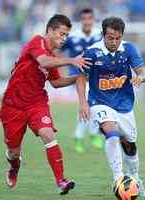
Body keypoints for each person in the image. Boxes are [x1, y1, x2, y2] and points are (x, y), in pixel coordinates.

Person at [0, 14, 91, 195]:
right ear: (50, 31)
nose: (64, 39)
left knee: (48, 135)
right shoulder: (37, 42)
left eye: (66, 35)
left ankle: (61, 181)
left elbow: (56, 83)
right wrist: (72, 60)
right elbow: (43, 61)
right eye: (62, 34)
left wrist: (79, 77)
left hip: (36, 104)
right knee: (13, 152)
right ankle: (14, 165)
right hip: (12, 106)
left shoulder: (53, 56)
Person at [76, 16, 145, 197]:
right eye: (110, 38)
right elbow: (81, 78)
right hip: (99, 103)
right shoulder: (92, 52)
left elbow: (142, 71)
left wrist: (140, 77)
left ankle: (135, 177)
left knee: (129, 144)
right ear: (103, 35)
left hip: (124, 104)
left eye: (118, 38)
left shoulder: (129, 49)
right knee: (111, 132)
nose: (114, 42)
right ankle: (118, 178)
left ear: (122, 36)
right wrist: (83, 103)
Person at [62, 8, 103, 153]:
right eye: (84, 19)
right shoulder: (72, 37)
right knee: (88, 105)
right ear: (81, 20)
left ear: (92, 20)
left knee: (94, 106)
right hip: (79, 77)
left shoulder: (100, 35)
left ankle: (87, 134)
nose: (86, 21)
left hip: (97, 77)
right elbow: (57, 49)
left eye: (89, 18)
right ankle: (85, 135)